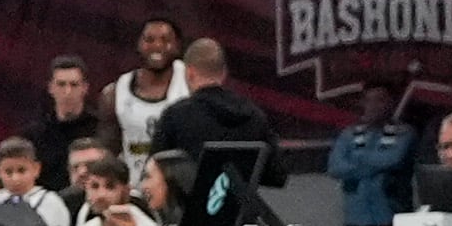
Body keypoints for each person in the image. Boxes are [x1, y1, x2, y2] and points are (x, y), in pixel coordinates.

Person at [148, 39, 280, 170]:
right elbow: (277, 174)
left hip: (194, 192)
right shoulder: (254, 116)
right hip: (239, 192)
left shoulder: (174, 117)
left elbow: (153, 171)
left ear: (189, 73)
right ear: (224, 73)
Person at [325, 79, 418, 226]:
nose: (373, 105)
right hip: (355, 222)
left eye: (380, 100)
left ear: (391, 103)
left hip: (390, 220)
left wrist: (355, 161)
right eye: (369, 100)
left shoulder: (404, 133)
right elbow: (335, 168)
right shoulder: (348, 134)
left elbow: (392, 159)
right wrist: (374, 165)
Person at [105, 18, 186, 169]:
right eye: (149, 39)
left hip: (178, 188)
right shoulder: (115, 93)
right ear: (139, 44)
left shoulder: (190, 85)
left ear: (177, 46)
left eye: (165, 40)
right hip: (134, 187)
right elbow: (106, 152)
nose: (157, 45)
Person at [19, 54, 108, 170]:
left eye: (74, 85)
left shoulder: (102, 130)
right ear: (51, 88)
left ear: (85, 88)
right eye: (61, 84)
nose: (67, 92)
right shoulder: (33, 135)